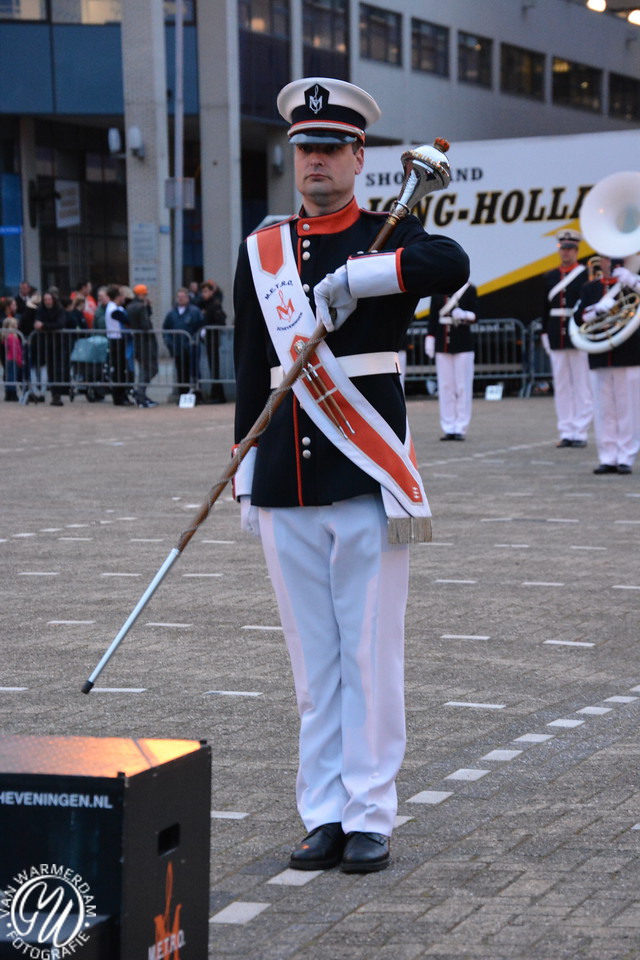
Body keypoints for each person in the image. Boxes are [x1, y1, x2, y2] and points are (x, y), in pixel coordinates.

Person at [233, 77, 469, 874]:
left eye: (332, 148)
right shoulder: (263, 251)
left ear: (359, 156)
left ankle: (370, 813)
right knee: (314, 667)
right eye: (306, 149)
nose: (317, 162)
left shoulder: (388, 234)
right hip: (283, 479)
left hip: (366, 474)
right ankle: (323, 814)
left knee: (370, 656)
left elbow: (451, 261)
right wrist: (244, 470)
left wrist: (359, 279)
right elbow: (251, 365)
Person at [574, 256, 640, 475]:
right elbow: (579, 317)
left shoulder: (632, 283)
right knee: (604, 410)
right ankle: (607, 456)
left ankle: (626, 456)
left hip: (629, 353)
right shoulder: (590, 288)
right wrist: (597, 310)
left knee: (628, 408)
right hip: (600, 354)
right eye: (606, 258)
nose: (610, 262)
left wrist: (633, 281)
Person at [541, 229, 593, 448]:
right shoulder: (550, 276)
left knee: (582, 386)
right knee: (562, 386)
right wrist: (544, 332)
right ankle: (566, 430)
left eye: (570, 249)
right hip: (556, 334)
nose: (566, 252)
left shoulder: (586, 275)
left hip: (578, 333)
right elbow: (545, 308)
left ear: (577, 250)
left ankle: (580, 432)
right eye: (563, 248)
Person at [425, 282, 478, 440]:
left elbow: (477, 316)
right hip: (442, 343)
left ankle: (460, 427)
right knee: (445, 386)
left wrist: (465, 315)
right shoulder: (437, 291)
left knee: (463, 387)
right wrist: (430, 338)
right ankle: (448, 426)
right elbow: (433, 317)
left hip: (463, 343)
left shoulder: (469, 289)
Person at [162, 287, 204, 400]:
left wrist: (196, 340)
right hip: (178, 348)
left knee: (194, 371)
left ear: (187, 298)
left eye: (183, 297)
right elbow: (166, 329)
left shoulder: (195, 311)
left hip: (192, 348)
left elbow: (201, 328)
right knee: (181, 372)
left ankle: (196, 394)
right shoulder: (172, 313)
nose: (180, 299)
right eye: (179, 297)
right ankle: (183, 394)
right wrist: (169, 343)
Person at [126, 284, 159, 407]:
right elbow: (145, 324)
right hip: (146, 342)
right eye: (145, 294)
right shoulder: (140, 307)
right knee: (151, 369)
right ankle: (140, 393)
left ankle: (140, 393)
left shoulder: (130, 306)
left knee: (143, 369)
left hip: (138, 341)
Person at [34, 290, 66, 405]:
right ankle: (49, 393)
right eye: (45, 300)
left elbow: (60, 324)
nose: (47, 302)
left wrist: (44, 326)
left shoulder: (59, 310)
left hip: (58, 344)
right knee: (48, 370)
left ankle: (57, 394)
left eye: (49, 299)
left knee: (57, 369)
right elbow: (37, 322)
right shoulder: (41, 310)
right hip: (44, 344)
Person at [105, 284, 134, 405]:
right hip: (117, 340)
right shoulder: (113, 310)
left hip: (118, 340)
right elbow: (128, 320)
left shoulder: (116, 308)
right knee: (119, 370)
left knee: (121, 369)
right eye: (122, 295)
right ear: (118, 297)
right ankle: (119, 397)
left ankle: (122, 396)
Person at [199, 280, 227, 403]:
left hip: (213, 339)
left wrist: (208, 328)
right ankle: (216, 394)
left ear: (211, 292)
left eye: (206, 291)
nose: (203, 294)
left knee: (215, 367)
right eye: (203, 291)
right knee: (212, 367)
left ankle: (218, 395)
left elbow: (220, 321)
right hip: (209, 339)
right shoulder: (206, 304)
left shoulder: (214, 304)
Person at [1, 304, 23, 401]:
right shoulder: (12, 337)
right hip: (13, 359)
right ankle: (12, 393)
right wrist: (19, 359)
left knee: (10, 376)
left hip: (10, 358)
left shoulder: (8, 337)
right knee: (12, 376)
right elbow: (15, 350)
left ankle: (10, 392)